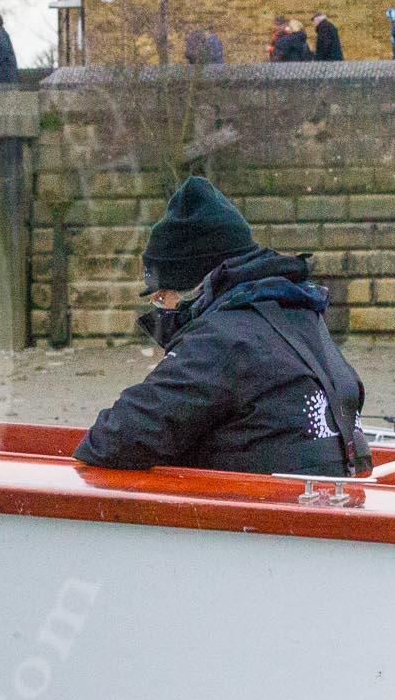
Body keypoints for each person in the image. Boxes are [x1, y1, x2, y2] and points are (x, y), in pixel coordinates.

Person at [74, 176, 370, 477]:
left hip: (269, 511)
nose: (159, 306)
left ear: (196, 286)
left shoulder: (219, 338)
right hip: (338, 496)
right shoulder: (301, 316)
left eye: (163, 295)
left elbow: (113, 439)